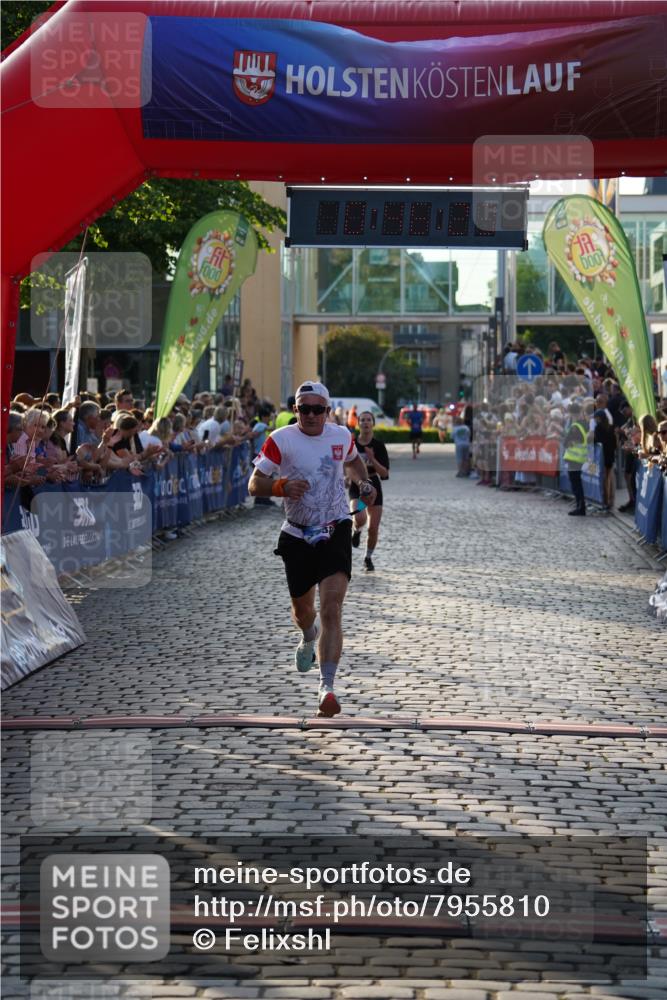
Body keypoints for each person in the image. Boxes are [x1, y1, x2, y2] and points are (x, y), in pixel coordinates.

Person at [248, 380, 376, 718]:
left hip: (336, 527)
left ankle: (326, 687)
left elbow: (354, 462)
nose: (311, 415)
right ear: (295, 410)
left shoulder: (340, 435)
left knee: (332, 608)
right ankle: (308, 635)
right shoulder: (281, 439)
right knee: (304, 612)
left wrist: (363, 483)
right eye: (304, 409)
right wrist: (281, 486)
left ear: (328, 411)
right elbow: (254, 484)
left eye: (318, 409)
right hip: (297, 534)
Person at [349, 411, 390, 572]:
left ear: (373, 423)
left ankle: (368, 558)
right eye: (362, 420)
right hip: (357, 485)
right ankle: (356, 530)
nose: (365, 423)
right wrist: (358, 482)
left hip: (374, 485)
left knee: (373, 528)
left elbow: (384, 474)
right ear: (358, 423)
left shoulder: (378, 446)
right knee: (359, 517)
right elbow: (347, 467)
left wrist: (372, 458)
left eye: (368, 420)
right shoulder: (352, 444)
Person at [563, 401, 588, 516]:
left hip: (574, 458)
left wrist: (568, 442)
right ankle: (580, 505)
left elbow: (566, 442)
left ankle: (580, 507)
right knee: (578, 483)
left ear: (571, 413)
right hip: (581, 457)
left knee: (576, 484)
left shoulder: (575, 426)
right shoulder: (585, 423)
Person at [592, 409, 616, 512]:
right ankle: (610, 501)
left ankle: (606, 501)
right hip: (610, 456)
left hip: (602, 456)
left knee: (604, 479)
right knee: (608, 479)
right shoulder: (611, 427)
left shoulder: (598, 428)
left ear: (599, 418)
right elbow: (614, 443)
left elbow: (596, 440)